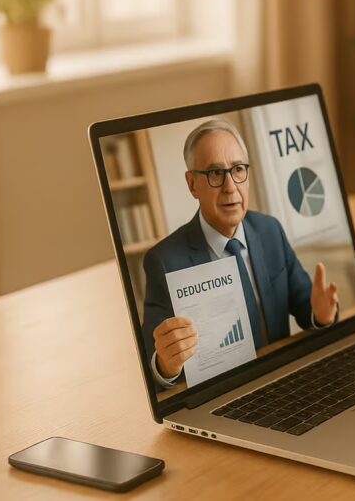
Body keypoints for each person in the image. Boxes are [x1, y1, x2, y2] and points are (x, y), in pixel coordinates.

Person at [141, 119, 339, 387]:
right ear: (192, 185)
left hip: (286, 382)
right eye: (215, 174)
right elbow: (154, 368)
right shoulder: (164, 261)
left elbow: (308, 309)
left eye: (237, 170)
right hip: (221, 395)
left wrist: (322, 315)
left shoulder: (270, 231)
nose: (230, 186)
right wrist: (165, 365)